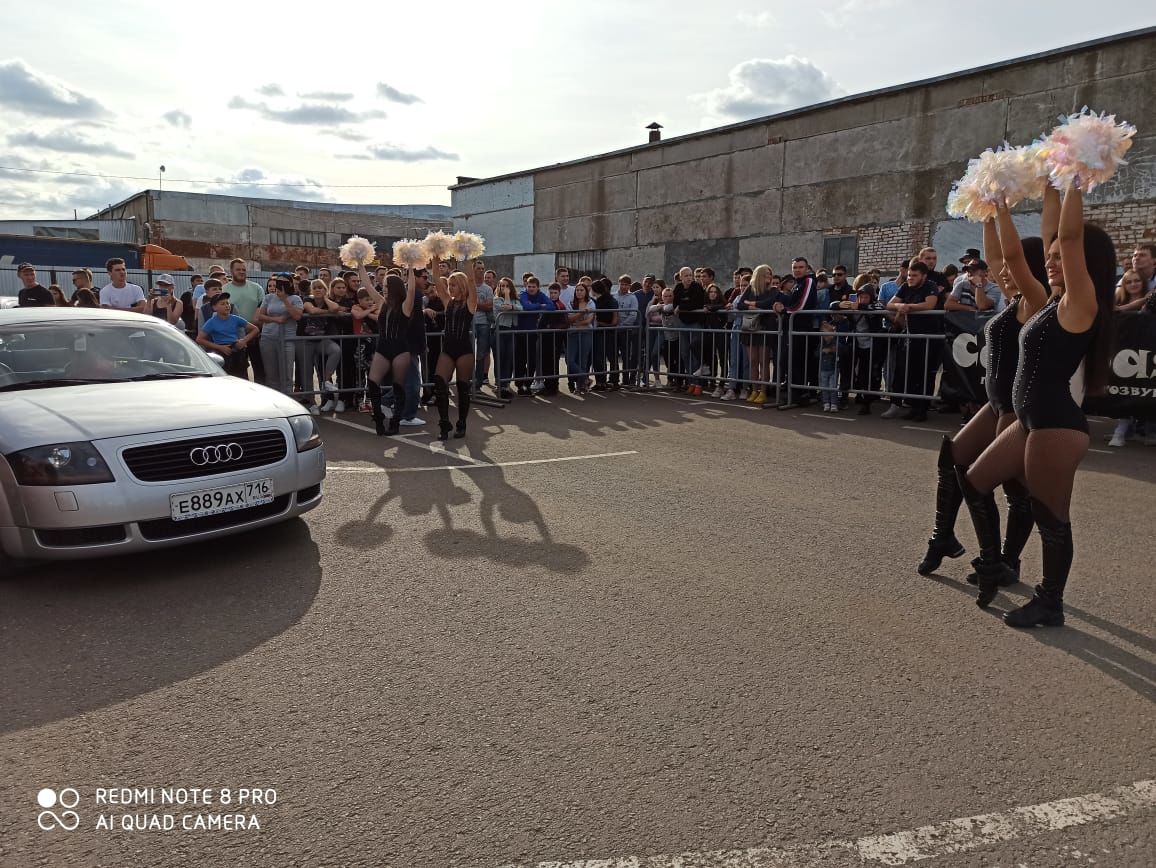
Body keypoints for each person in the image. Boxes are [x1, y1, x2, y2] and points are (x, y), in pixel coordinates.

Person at [959, 184, 1116, 626]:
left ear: (1086, 260)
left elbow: (1066, 239)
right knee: (975, 481)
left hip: (1054, 427)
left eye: (1059, 254)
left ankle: (1051, 602)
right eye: (1046, 256)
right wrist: (1016, 201)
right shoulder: (1050, 300)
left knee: (1052, 517)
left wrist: (1076, 181)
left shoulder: (1082, 303)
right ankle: (996, 563)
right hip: (1031, 422)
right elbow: (1015, 254)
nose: (1050, 258)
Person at [916, 190, 1058, 587]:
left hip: (1017, 409)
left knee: (1014, 490)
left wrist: (1004, 209)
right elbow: (999, 258)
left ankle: (1005, 561)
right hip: (995, 404)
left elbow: (1010, 257)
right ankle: (943, 537)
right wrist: (987, 210)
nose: (1001, 271)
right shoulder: (1013, 299)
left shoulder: (1037, 300)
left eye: (1014, 268)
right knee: (952, 459)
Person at [355, 262, 417, 436]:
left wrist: (411, 268)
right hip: (382, 348)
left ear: (395, 288)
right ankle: (378, 417)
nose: (384, 289)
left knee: (398, 386)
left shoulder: (406, 305)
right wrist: (360, 264)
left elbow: (411, 290)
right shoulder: (381, 302)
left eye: (386, 287)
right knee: (373, 382)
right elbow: (366, 284)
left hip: (400, 348)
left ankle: (395, 421)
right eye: (383, 287)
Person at [431, 265, 479, 439]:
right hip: (448, 349)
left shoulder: (470, 302)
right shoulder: (448, 302)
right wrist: (434, 259)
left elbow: (472, 282)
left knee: (462, 388)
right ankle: (444, 424)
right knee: (439, 382)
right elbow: (436, 279)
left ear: (462, 286)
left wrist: (469, 260)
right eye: (449, 284)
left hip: (464, 350)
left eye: (453, 285)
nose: (449, 288)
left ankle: (462, 423)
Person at [299, 279, 343, 415]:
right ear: (311, 291)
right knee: (307, 372)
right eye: (315, 288)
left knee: (336, 350)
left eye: (321, 288)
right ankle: (312, 404)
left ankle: (325, 381)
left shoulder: (327, 301)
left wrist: (325, 299)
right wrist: (326, 312)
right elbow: (311, 311)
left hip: (321, 340)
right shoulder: (307, 299)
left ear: (325, 290)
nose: (318, 290)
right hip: (305, 340)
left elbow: (335, 308)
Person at [253, 276, 304, 395]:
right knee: (271, 373)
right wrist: (276, 319)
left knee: (287, 372)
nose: (280, 285)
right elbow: (260, 316)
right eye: (278, 283)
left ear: (290, 284)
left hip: (287, 339)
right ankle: (274, 399)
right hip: (268, 338)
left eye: (284, 283)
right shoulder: (268, 297)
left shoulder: (295, 298)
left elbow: (297, 316)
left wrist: (285, 299)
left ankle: (289, 398)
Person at [224, 258, 266, 383]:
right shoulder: (224, 289)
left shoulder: (257, 288)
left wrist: (253, 326)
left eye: (244, 269)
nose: (241, 272)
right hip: (235, 337)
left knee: (260, 370)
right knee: (239, 372)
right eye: (238, 269)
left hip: (256, 334)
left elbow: (262, 307)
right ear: (231, 271)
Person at [196, 293, 258, 377]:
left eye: (227, 303)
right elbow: (199, 339)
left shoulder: (235, 318)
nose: (227, 306)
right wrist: (219, 347)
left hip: (237, 351)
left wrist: (244, 340)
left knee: (241, 378)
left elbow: (255, 329)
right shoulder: (211, 322)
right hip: (222, 353)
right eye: (222, 304)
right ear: (214, 308)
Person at [492, 277, 523, 398]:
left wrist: (511, 306)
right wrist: (508, 300)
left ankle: (505, 384)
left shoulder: (515, 300)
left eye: (506, 286)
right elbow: (503, 307)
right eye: (501, 286)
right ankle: (499, 384)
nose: (504, 288)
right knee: (500, 357)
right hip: (500, 330)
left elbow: (521, 309)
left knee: (509, 357)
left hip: (511, 330)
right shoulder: (497, 299)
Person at [590, 278, 619, 391]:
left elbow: (615, 321)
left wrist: (599, 323)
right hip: (600, 332)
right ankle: (601, 382)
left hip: (607, 332)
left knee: (608, 357)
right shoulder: (595, 301)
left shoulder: (610, 301)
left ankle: (612, 381)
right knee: (599, 358)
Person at [538, 282, 567, 395]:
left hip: (555, 338)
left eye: (555, 293)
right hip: (546, 337)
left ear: (559, 293)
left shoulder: (560, 306)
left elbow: (565, 323)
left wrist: (552, 327)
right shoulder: (548, 304)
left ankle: (553, 386)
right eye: (551, 292)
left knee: (553, 362)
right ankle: (547, 384)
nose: (553, 295)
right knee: (546, 361)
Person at [566, 283, 595, 393]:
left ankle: (580, 386)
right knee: (570, 360)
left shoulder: (591, 303)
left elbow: (589, 321)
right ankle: (586, 379)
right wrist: (581, 313)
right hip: (573, 334)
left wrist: (576, 320)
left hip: (586, 333)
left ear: (586, 292)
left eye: (581, 290)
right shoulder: (571, 303)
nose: (579, 292)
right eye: (577, 290)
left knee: (583, 360)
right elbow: (569, 319)